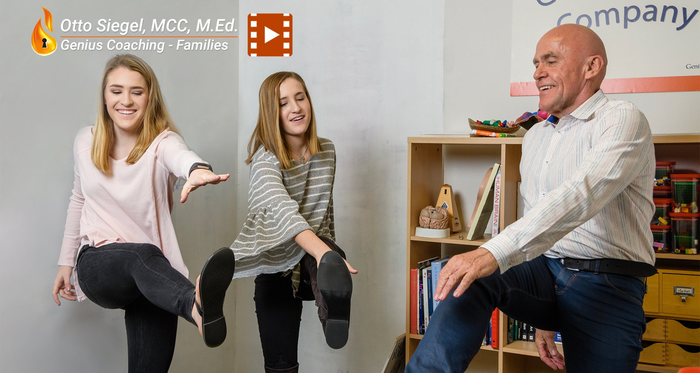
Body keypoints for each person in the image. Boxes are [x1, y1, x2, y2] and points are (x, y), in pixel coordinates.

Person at [406, 24, 657, 373]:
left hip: (607, 283)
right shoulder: (536, 135)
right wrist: (542, 315)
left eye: (550, 61)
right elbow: (538, 215)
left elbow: (579, 196)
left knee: (482, 261)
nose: (537, 72)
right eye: (536, 63)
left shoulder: (622, 119)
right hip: (544, 270)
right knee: (469, 277)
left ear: (591, 67)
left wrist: (491, 252)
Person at [51, 54, 236, 373]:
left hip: (156, 278)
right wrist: (65, 263)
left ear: (150, 97)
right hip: (99, 263)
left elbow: (182, 157)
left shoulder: (162, 142)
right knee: (142, 255)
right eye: (116, 90)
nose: (126, 100)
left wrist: (197, 169)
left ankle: (192, 304)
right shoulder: (87, 140)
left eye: (136, 91)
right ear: (104, 96)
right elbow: (79, 198)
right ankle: (195, 305)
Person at [229, 71, 358, 373]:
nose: (296, 108)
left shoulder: (326, 151)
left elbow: (325, 210)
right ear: (271, 113)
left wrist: (328, 254)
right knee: (282, 365)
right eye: (284, 103)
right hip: (277, 265)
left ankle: (332, 309)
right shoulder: (265, 160)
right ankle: (327, 272)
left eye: (300, 98)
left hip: (312, 260)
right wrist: (324, 253)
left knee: (327, 256)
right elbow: (284, 210)